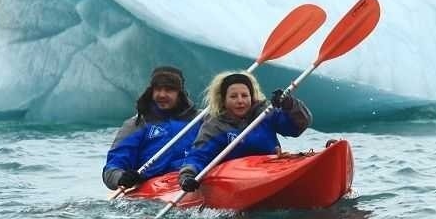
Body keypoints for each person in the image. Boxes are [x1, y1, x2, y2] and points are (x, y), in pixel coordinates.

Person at [177, 71, 312, 192]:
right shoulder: (215, 125)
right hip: (234, 180)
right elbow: (199, 155)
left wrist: (289, 104)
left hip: (270, 171)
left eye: (244, 95)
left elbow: (297, 127)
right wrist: (188, 175)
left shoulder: (265, 114)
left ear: (252, 97)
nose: (240, 101)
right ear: (224, 100)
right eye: (233, 96)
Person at [103, 66, 199, 190]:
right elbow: (111, 169)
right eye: (157, 89)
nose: (162, 95)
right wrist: (121, 177)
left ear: (180, 93)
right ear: (151, 91)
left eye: (169, 90)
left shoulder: (200, 120)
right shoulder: (137, 124)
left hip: (191, 180)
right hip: (153, 187)